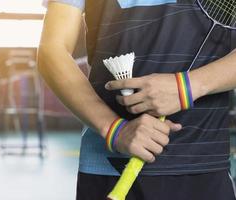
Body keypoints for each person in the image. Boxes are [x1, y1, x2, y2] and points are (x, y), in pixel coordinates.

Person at [38, 0, 236, 199]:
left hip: (202, 163)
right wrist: (113, 129)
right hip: (109, 164)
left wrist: (187, 86)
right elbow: (53, 49)